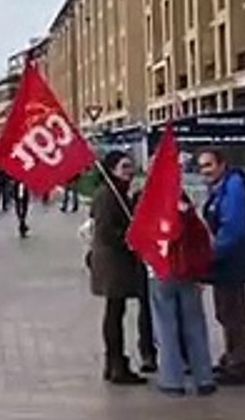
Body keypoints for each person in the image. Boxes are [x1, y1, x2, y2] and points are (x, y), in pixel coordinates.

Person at [88, 150, 154, 384]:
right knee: (114, 312)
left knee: (116, 311)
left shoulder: (119, 192)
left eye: (131, 166)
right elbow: (107, 232)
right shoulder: (108, 195)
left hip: (116, 262)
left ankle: (114, 362)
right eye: (124, 167)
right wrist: (132, 240)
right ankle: (116, 363)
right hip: (112, 263)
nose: (130, 171)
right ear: (112, 169)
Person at [147, 192, 217, 397]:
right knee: (195, 327)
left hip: (162, 274)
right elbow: (204, 243)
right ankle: (204, 378)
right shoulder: (190, 215)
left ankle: (172, 381)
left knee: (166, 328)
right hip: (190, 275)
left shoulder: (154, 211)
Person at [197, 148, 245, 386]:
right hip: (223, 259)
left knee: (233, 312)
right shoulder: (220, 187)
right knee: (225, 311)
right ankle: (231, 358)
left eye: (209, 165)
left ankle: (239, 364)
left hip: (230, 259)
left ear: (222, 164)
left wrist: (212, 255)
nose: (204, 171)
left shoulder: (233, 187)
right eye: (201, 166)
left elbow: (232, 227)